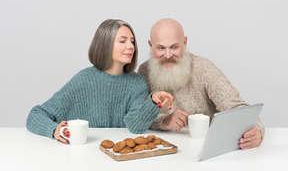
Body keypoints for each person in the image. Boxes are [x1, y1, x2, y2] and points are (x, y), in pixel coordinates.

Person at [26, 19, 174, 144]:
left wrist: (153, 102)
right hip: (85, 155)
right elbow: (36, 115)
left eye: (132, 41)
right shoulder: (83, 79)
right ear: (105, 45)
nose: (131, 46)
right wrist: (53, 130)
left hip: (120, 158)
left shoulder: (137, 83)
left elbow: (135, 126)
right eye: (122, 41)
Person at [138, 18, 264, 150]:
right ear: (150, 45)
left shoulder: (204, 68)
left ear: (185, 43)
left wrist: (257, 131)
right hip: (163, 150)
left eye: (174, 47)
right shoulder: (144, 71)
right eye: (161, 48)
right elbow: (137, 117)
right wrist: (164, 121)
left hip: (208, 148)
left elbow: (236, 106)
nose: (168, 55)